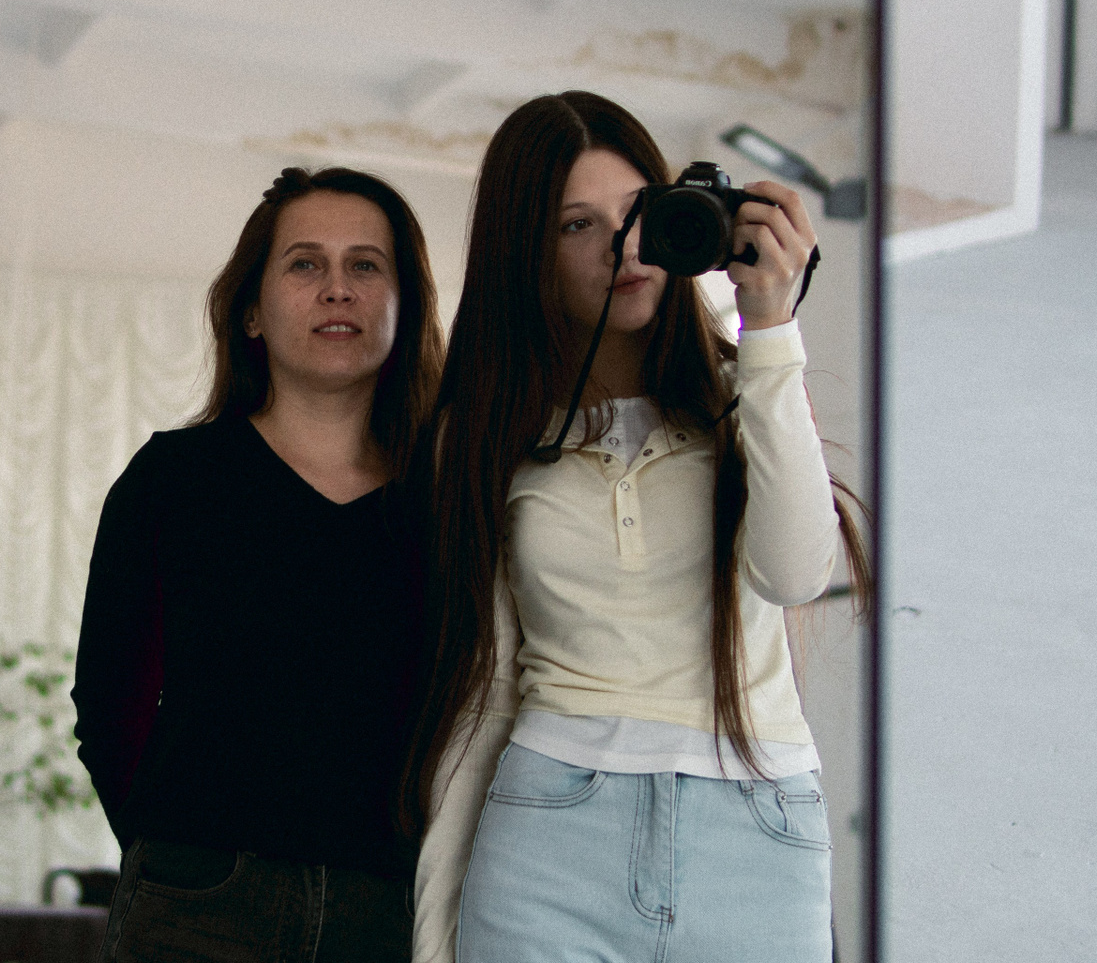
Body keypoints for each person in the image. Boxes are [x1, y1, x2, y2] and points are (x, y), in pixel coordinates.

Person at [406, 92, 870, 963]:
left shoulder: (747, 395)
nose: (620, 246)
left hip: (757, 833)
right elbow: (487, 694)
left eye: (636, 211)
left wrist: (771, 326)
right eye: (576, 225)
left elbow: (795, 573)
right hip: (548, 834)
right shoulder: (482, 438)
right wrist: (436, 936)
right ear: (527, 253)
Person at [73, 165, 446, 963]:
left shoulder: (450, 500)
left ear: (405, 305)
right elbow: (108, 702)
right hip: (197, 905)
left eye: (366, 265)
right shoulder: (173, 480)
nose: (337, 289)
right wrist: (171, 853)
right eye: (305, 264)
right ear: (251, 309)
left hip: (393, 910)